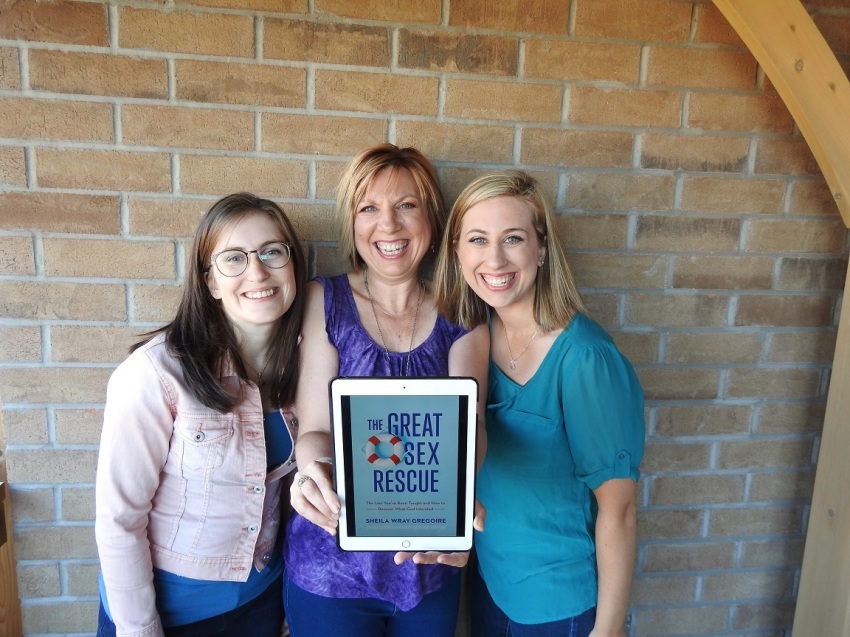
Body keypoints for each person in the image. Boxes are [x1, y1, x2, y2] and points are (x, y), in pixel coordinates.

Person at [284, 143, 489, 637]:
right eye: (369, 208)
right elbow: (315, 429)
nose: (389, 225)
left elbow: (472, 425)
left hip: (428, 564)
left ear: (432, 219)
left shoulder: (462, 309)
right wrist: (316, 471)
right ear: (352, 224)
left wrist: (456, 499)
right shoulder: (324, 299)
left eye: (407, 205)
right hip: (330, 568)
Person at [434, 170, 645, 637]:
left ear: (542, 249)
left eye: (513, 238)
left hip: (558, 604)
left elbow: (619, 510)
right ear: (457, 252)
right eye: (477, 239)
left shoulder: (585, 357)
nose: (494, 258)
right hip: (491, 585)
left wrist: (607, 630)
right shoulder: (474, 339)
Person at [95, 193, 307, 637]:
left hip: (262, 606)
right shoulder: (156, 373)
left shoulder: (308, 366)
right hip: (170, 616)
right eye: (234, 258)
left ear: (293, 265)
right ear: (209, 281)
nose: (258, 271)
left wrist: (294, 600)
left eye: (272, 251)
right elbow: (119, 519)